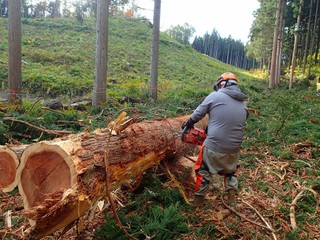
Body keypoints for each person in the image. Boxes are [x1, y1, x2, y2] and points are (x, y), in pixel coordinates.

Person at [182, 72, 248, 207]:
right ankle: (231, 198)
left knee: (203, 169)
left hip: (214, 145)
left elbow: (199, 113)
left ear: (222, 84)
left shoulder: (215, 96)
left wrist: (189, 123)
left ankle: (199, 200)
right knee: (230, 171)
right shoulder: (243, 103)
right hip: (234, 149)